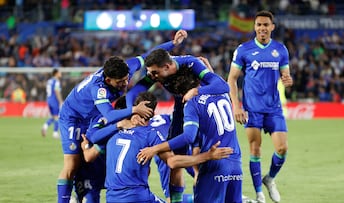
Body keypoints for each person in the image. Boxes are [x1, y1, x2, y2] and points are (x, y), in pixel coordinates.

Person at [57, 30, 188, 203]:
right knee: (72, 163)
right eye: (120, 82)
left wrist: (173, 43)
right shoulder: (99, 88)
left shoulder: (128, 66)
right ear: (108, 79)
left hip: (94, 114)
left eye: (126, 79)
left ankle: (88, 191)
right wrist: (133, 110)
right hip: (74, 117)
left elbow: (149, 55)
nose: (125, 84)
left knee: (101, 150)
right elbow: (110, 115)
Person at [137, 68, 243, 203]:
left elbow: (188, 137)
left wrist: (155, 149)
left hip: (214, 162)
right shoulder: (222, 92)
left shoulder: (192, 103)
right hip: (235, 163)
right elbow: (216, 80)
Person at [105, 92, 233, 203]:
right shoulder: (149, 133)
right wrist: (209, 156)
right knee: (190, 175)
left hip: (111, 197)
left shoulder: (111, 134)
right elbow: (173, 162)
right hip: (137, 196)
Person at [227, 10, 293, 203]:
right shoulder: (243, 50)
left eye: (266, 25)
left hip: (273, 108)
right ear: (254, 27)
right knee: (255, 150)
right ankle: (259, 194)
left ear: (272, 27)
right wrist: (236, 107)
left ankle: (270, 178)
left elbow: (285, 75)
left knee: (282, 148)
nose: (262, 28)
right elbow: (231, 79)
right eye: (259, 25)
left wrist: (287, 79)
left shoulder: (280, 50)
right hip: (252, 109)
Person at [42, 69, 63, 138]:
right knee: (57, 117)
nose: (61, 73)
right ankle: (55, 133)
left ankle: (45, 126)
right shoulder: (56, 81)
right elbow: (57, 91)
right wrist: (60, 101)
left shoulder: (49, 81)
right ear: (56, 73)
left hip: (48, 99)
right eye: (59, 72)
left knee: (53, 116)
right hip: (54, 100)